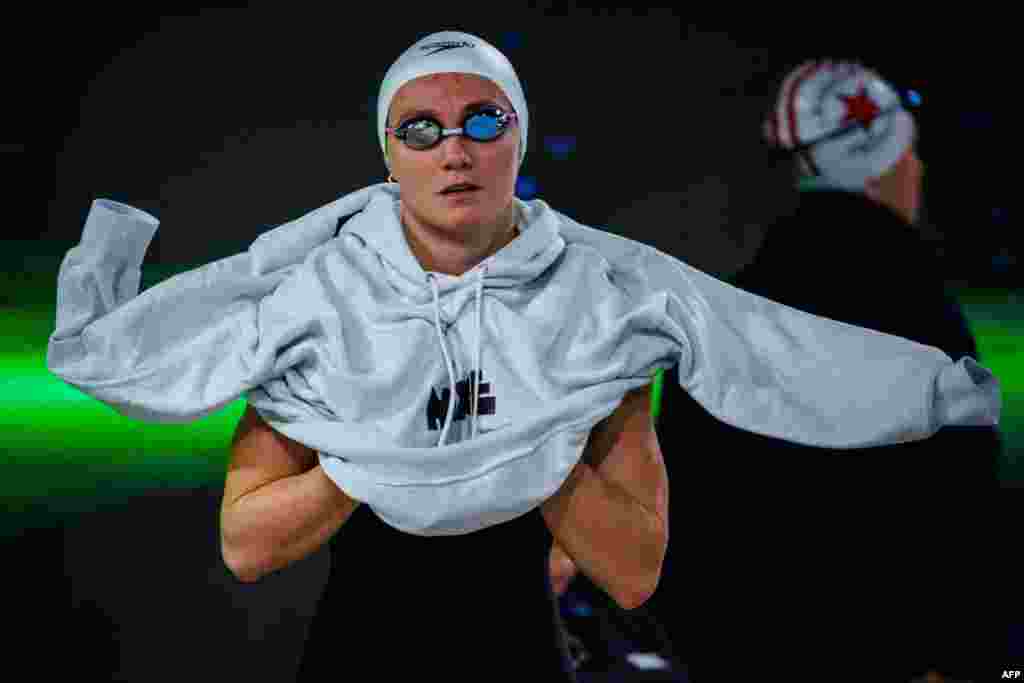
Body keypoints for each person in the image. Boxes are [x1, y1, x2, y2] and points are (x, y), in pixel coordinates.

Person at [47, 37, 999, 679]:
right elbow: (245, 544)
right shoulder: (321, 304)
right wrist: (380, 443)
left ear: (517, 138)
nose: (452, 148)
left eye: (482, 122)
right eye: (421, 128)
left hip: (519, 658)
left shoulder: (596, 305)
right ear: (389, 152)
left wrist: (533, 435)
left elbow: (636, 566)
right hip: (354, 658)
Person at [639, 60, 1004, 682]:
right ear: (881, 160)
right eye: (909, 151)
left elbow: (681, 508)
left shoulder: (728, 308)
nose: (918, 169)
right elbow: (956, 501)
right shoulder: (915, 306)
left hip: (742, 652)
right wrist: (962, 655)